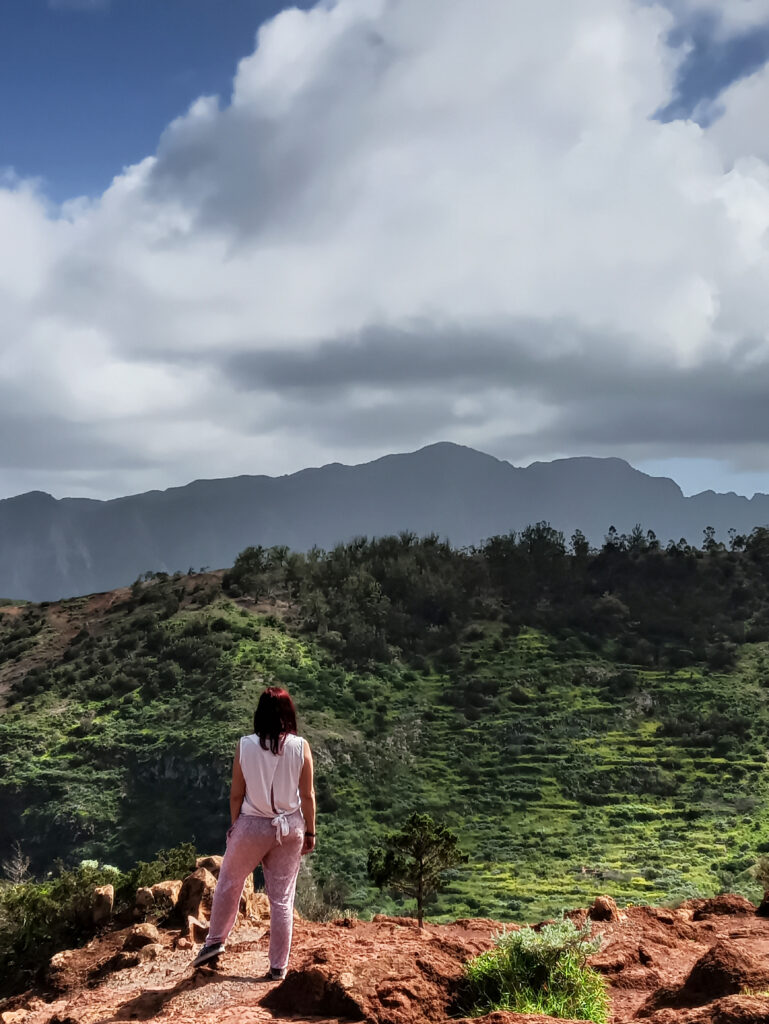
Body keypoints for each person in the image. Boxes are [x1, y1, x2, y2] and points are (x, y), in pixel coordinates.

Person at [192, 686, 316, 979]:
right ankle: (277, 967)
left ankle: (215, 942)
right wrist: (310, 832)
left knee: (230, 882)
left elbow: (237, 794)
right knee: (282, 899)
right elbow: (307, 795)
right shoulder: (301, 747)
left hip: (252, 823)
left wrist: (236, 827)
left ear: (259, 714)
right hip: (289, 827)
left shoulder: (244, 745)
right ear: (289, 714)